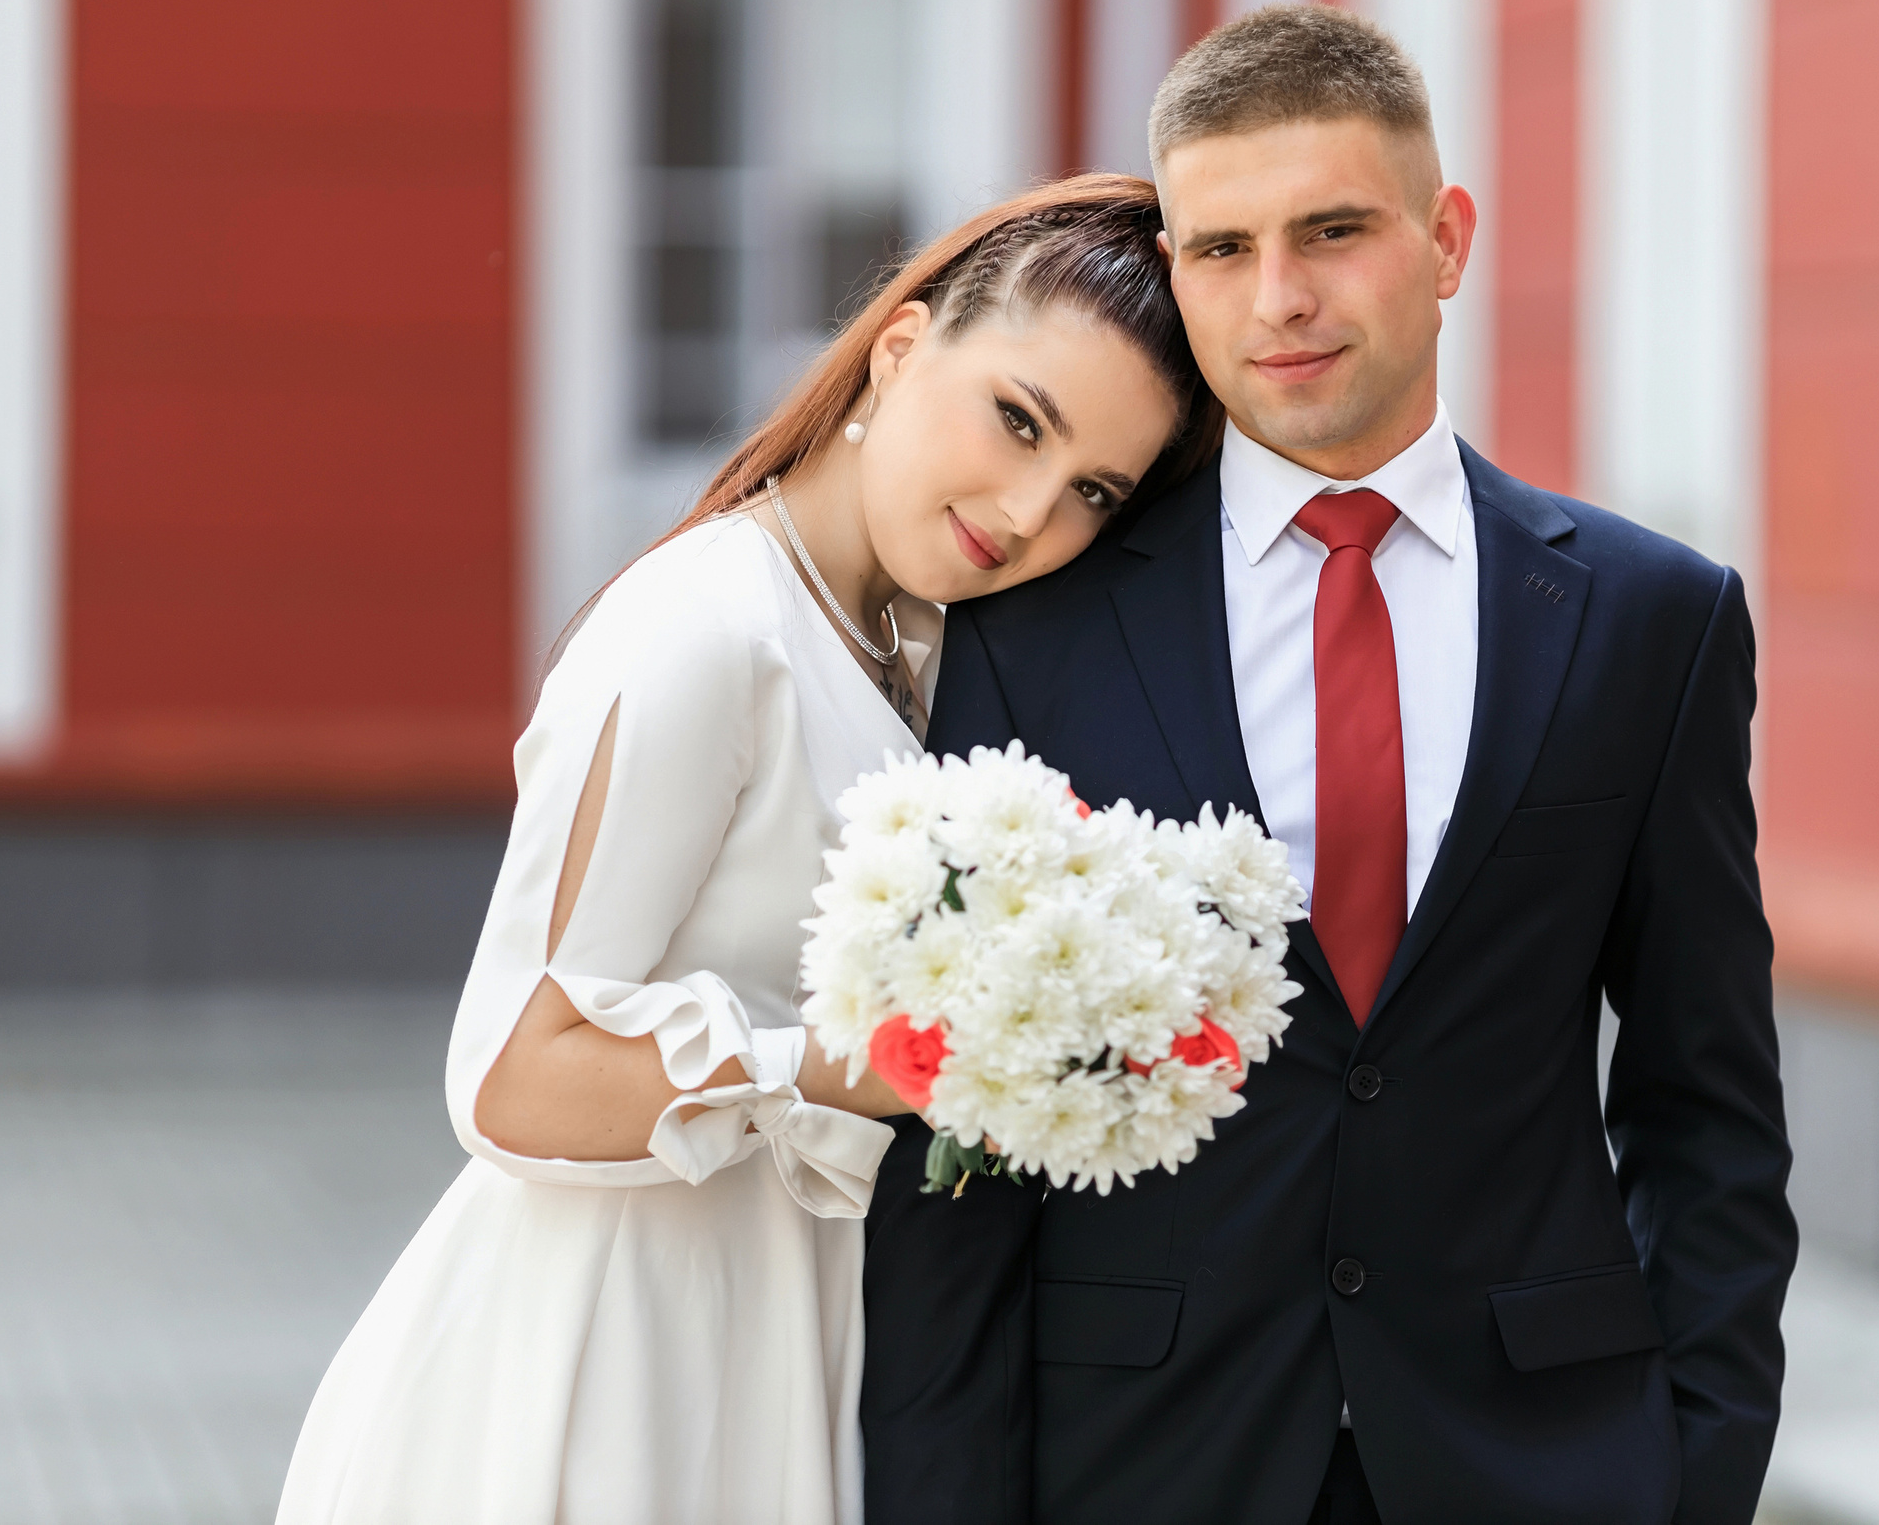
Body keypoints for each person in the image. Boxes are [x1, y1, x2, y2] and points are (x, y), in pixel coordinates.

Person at [863, 5, 1796, 1525]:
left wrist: (1694, 1474)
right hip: (1147, 1465)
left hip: (1543, 1462)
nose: (1278, 298)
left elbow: (1709, 1107)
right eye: (1221, 248)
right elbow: (958, 1161)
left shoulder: (1651, 623)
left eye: (1334, 230)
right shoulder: (1036, 629)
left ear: (1446, 240)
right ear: (1175, 269)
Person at [275, 175, 1216, 1525]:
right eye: (1016, 421)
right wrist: (882, 1063)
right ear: (901, 348)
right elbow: (504, 1077)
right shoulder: (710, 631)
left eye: (1091, 491)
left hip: (767, 1332)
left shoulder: (916, 646)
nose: (1026, 513)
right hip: (599, 1354)